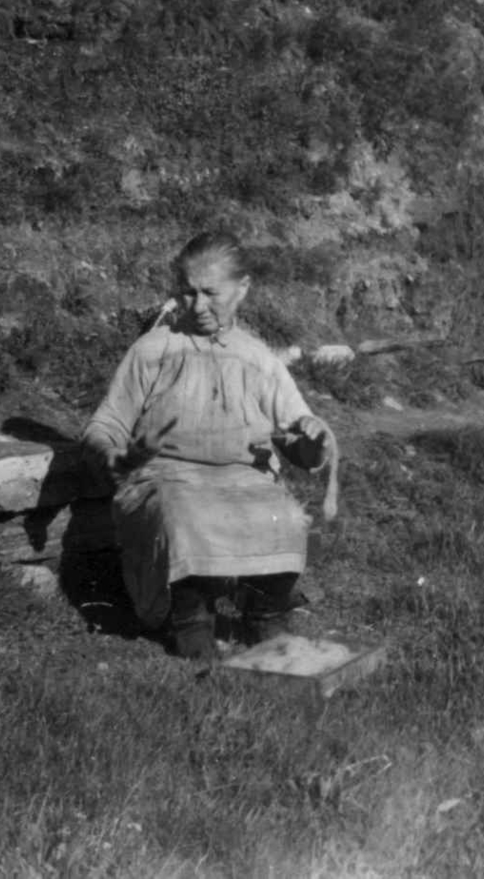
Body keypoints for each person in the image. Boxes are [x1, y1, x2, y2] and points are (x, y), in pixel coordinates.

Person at [81, 231, 338, 661]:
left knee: (288, 517)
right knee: (183, 515)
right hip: (166, 476)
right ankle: (191, 619)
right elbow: (105, 424)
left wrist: (312, 439)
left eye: (210, 293)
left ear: (242, 290)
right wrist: (114, 455)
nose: (197, 306)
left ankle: (263, 612)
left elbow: (301, 445)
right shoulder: (153, 350)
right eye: (187, 292)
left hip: (242, 478)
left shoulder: (258, 360)